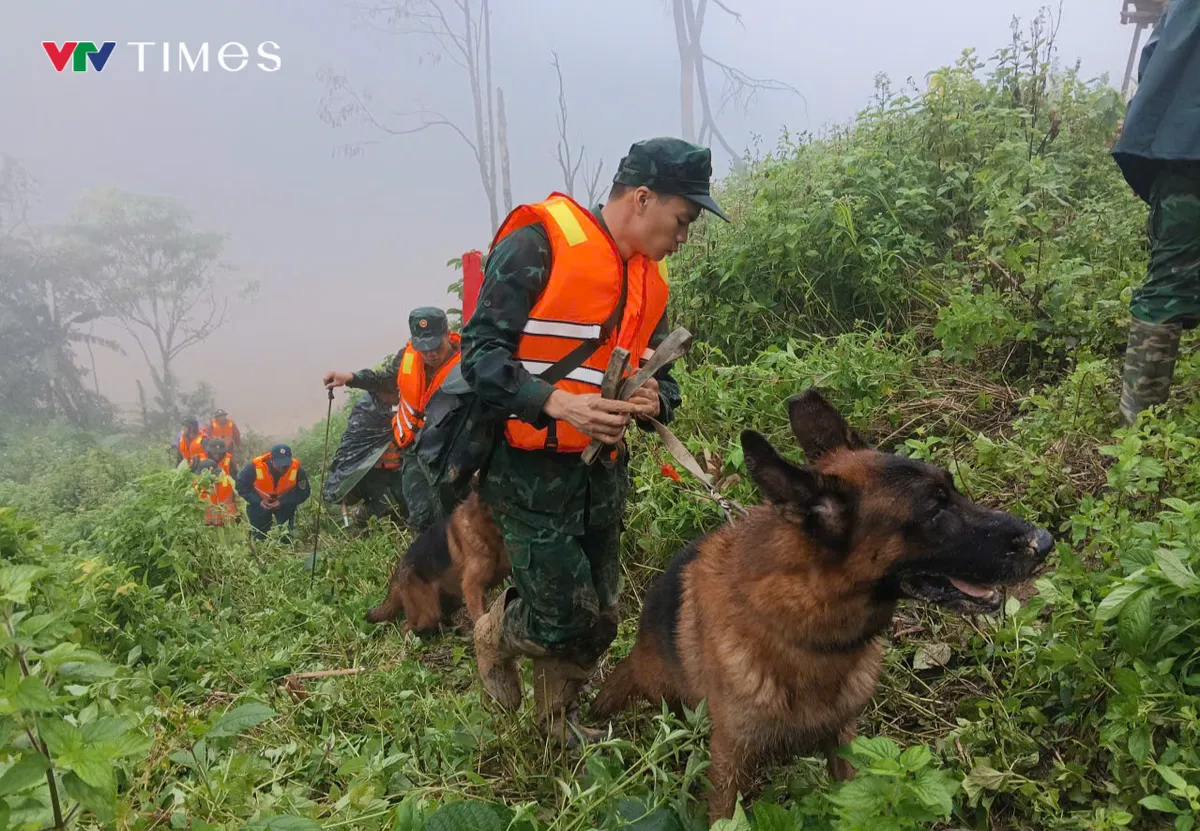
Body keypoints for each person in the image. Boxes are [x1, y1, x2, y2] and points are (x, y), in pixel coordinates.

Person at [460, 136, 726, 746]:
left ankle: (556, 722)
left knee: (602, 616)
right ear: (643, 198)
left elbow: (663, 375)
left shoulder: (650, 281)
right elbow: (479, 355)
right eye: (683, 218)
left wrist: (657, 399)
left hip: (602, 472)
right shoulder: (538, 242)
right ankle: (494, 633)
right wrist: (557, 403)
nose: (685, 236)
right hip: (528, 470)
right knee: (562, 616)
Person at [1112, 0, 1200, 425]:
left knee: (1167, 286)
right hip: (1182, 153)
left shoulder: (1182, 10)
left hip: (1180, 155)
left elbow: (1154, 65)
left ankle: (1137, 429)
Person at [322, 307, 462, 532]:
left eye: (436, 346)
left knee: (454, 512)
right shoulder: (407, 356)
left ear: (447, 334)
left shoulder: (467, 362)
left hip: (449, 450)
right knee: (421, 515)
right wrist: (349, 378)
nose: (430, 354)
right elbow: (385, 379)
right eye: (423, 348)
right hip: (414, 450)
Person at [235, 444, 311, 541]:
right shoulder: (254, 468)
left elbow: (304, 492)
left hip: (285, 504)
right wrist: (258, 501)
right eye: (280, 465)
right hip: (259, 503)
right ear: (271, 460)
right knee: (259, 535)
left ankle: (285, 545)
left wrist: (282, 501)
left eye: (286, 465)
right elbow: (240, 485)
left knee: (286, 535)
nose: (283, 468)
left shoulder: (297, 471)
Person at [193, 458, 238, 527]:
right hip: (207, 527)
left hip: (229, 525)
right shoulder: (197, 485)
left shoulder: (229, 481)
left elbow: (239, 500)